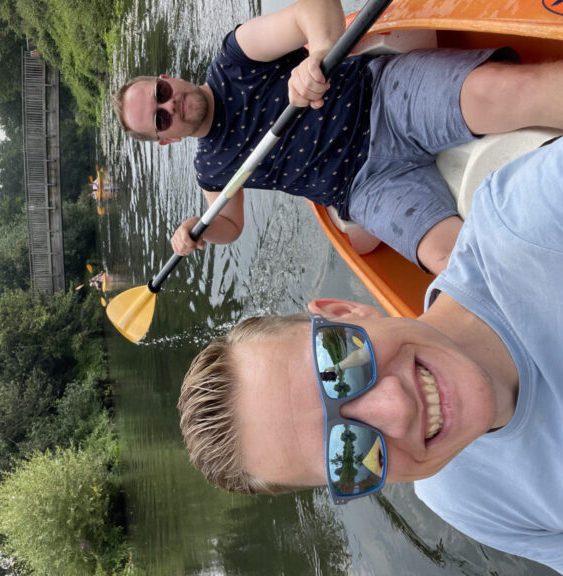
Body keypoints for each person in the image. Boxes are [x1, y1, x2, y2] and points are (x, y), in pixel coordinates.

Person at [177, 136, 563, 571]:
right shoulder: (459, 496)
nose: (396, 408)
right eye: (345, 454)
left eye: (338, 366)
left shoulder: (535, 217)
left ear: (346, 310)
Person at [111, 0, 563, 274]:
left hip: (383, 98)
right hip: (364, 188)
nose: (169, 106)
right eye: (160, 119)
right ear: (165, 141)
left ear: (168, 79)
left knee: (507, 92)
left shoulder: (234, 59)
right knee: (454, 264)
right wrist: (198, 230)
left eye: (161, 93)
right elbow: (229, 225)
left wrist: (321, 51)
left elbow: (312, 9)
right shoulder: (212, 168)